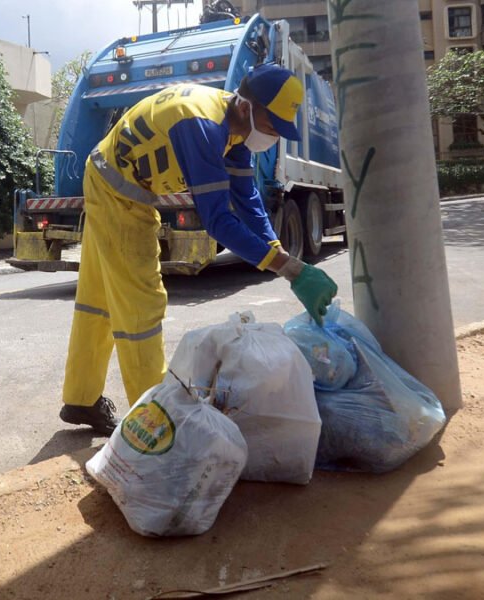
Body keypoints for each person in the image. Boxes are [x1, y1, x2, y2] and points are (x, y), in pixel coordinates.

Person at [58, 63, 339, 435]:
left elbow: (247, 198)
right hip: (118, 191)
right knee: (141, 303)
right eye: (272, 126)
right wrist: (289, 268)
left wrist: (279, 253)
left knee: (98, 300)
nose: (274, 136)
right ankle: (157, 426)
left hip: (110, 177)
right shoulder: (202, 127)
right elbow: (218, 221)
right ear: (246, 107)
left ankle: (80, 399)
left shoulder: (234, 131)